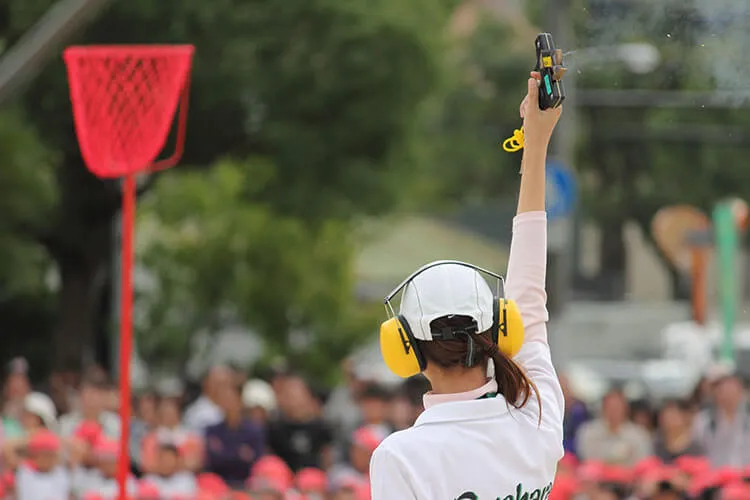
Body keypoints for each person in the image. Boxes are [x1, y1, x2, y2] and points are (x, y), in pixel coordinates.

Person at [368, 72, 564, 499]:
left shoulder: (401, 456)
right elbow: (529, 297)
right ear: (500, 328)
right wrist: (537, 143)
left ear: (405, 347)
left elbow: (528, 301)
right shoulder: (536, 415)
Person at [204, 383, 265, 488]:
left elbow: (257, 462)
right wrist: (239, 454)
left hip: (247, 484)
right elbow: (211, 462)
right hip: (218, 485)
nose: (227, 403)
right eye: (223, 399)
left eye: (231, 398)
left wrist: (223, 452)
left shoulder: (254, 430)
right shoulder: (212, 431)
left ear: (240, 401)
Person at [577, 388, 653, 466]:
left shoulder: (639, 435)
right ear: (602, 409)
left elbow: (643, 463)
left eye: (617, 407)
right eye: (610, 407)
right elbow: (587, 461)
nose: (613, 411)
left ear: (626, 409)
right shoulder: (588, 432)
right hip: (596, 476)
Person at [692, 365, 750, 467]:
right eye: (723, 390)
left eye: (733, 389)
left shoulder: (746, 420)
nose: (728, 395)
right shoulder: (703, 420)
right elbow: (697, 451)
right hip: (714, 478)